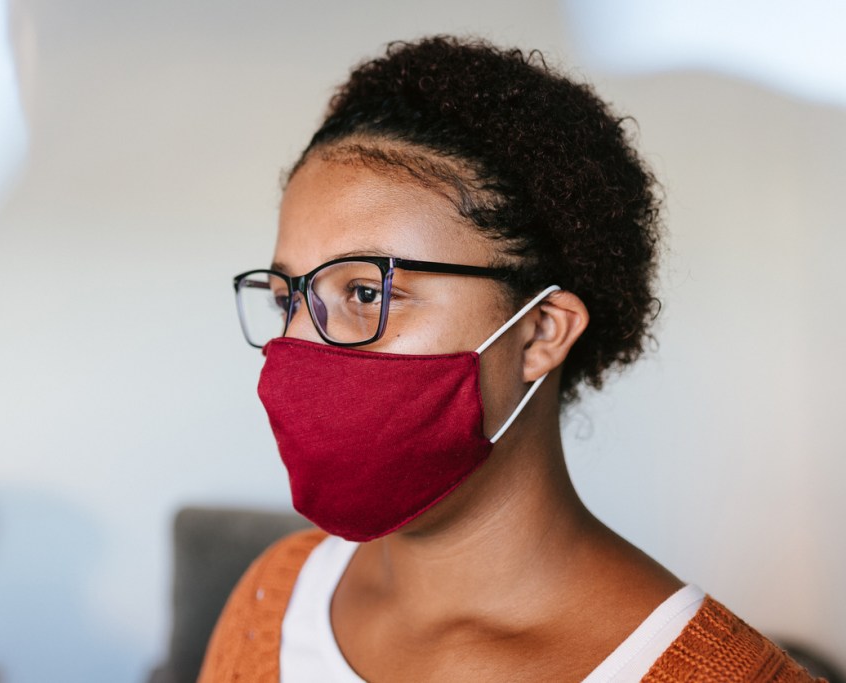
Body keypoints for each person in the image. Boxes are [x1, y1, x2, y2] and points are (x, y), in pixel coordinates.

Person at [203, 36, 817, 682]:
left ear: (541, 332)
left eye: (364, 292)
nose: (298, 344)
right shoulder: (271, 601)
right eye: (286, 299)